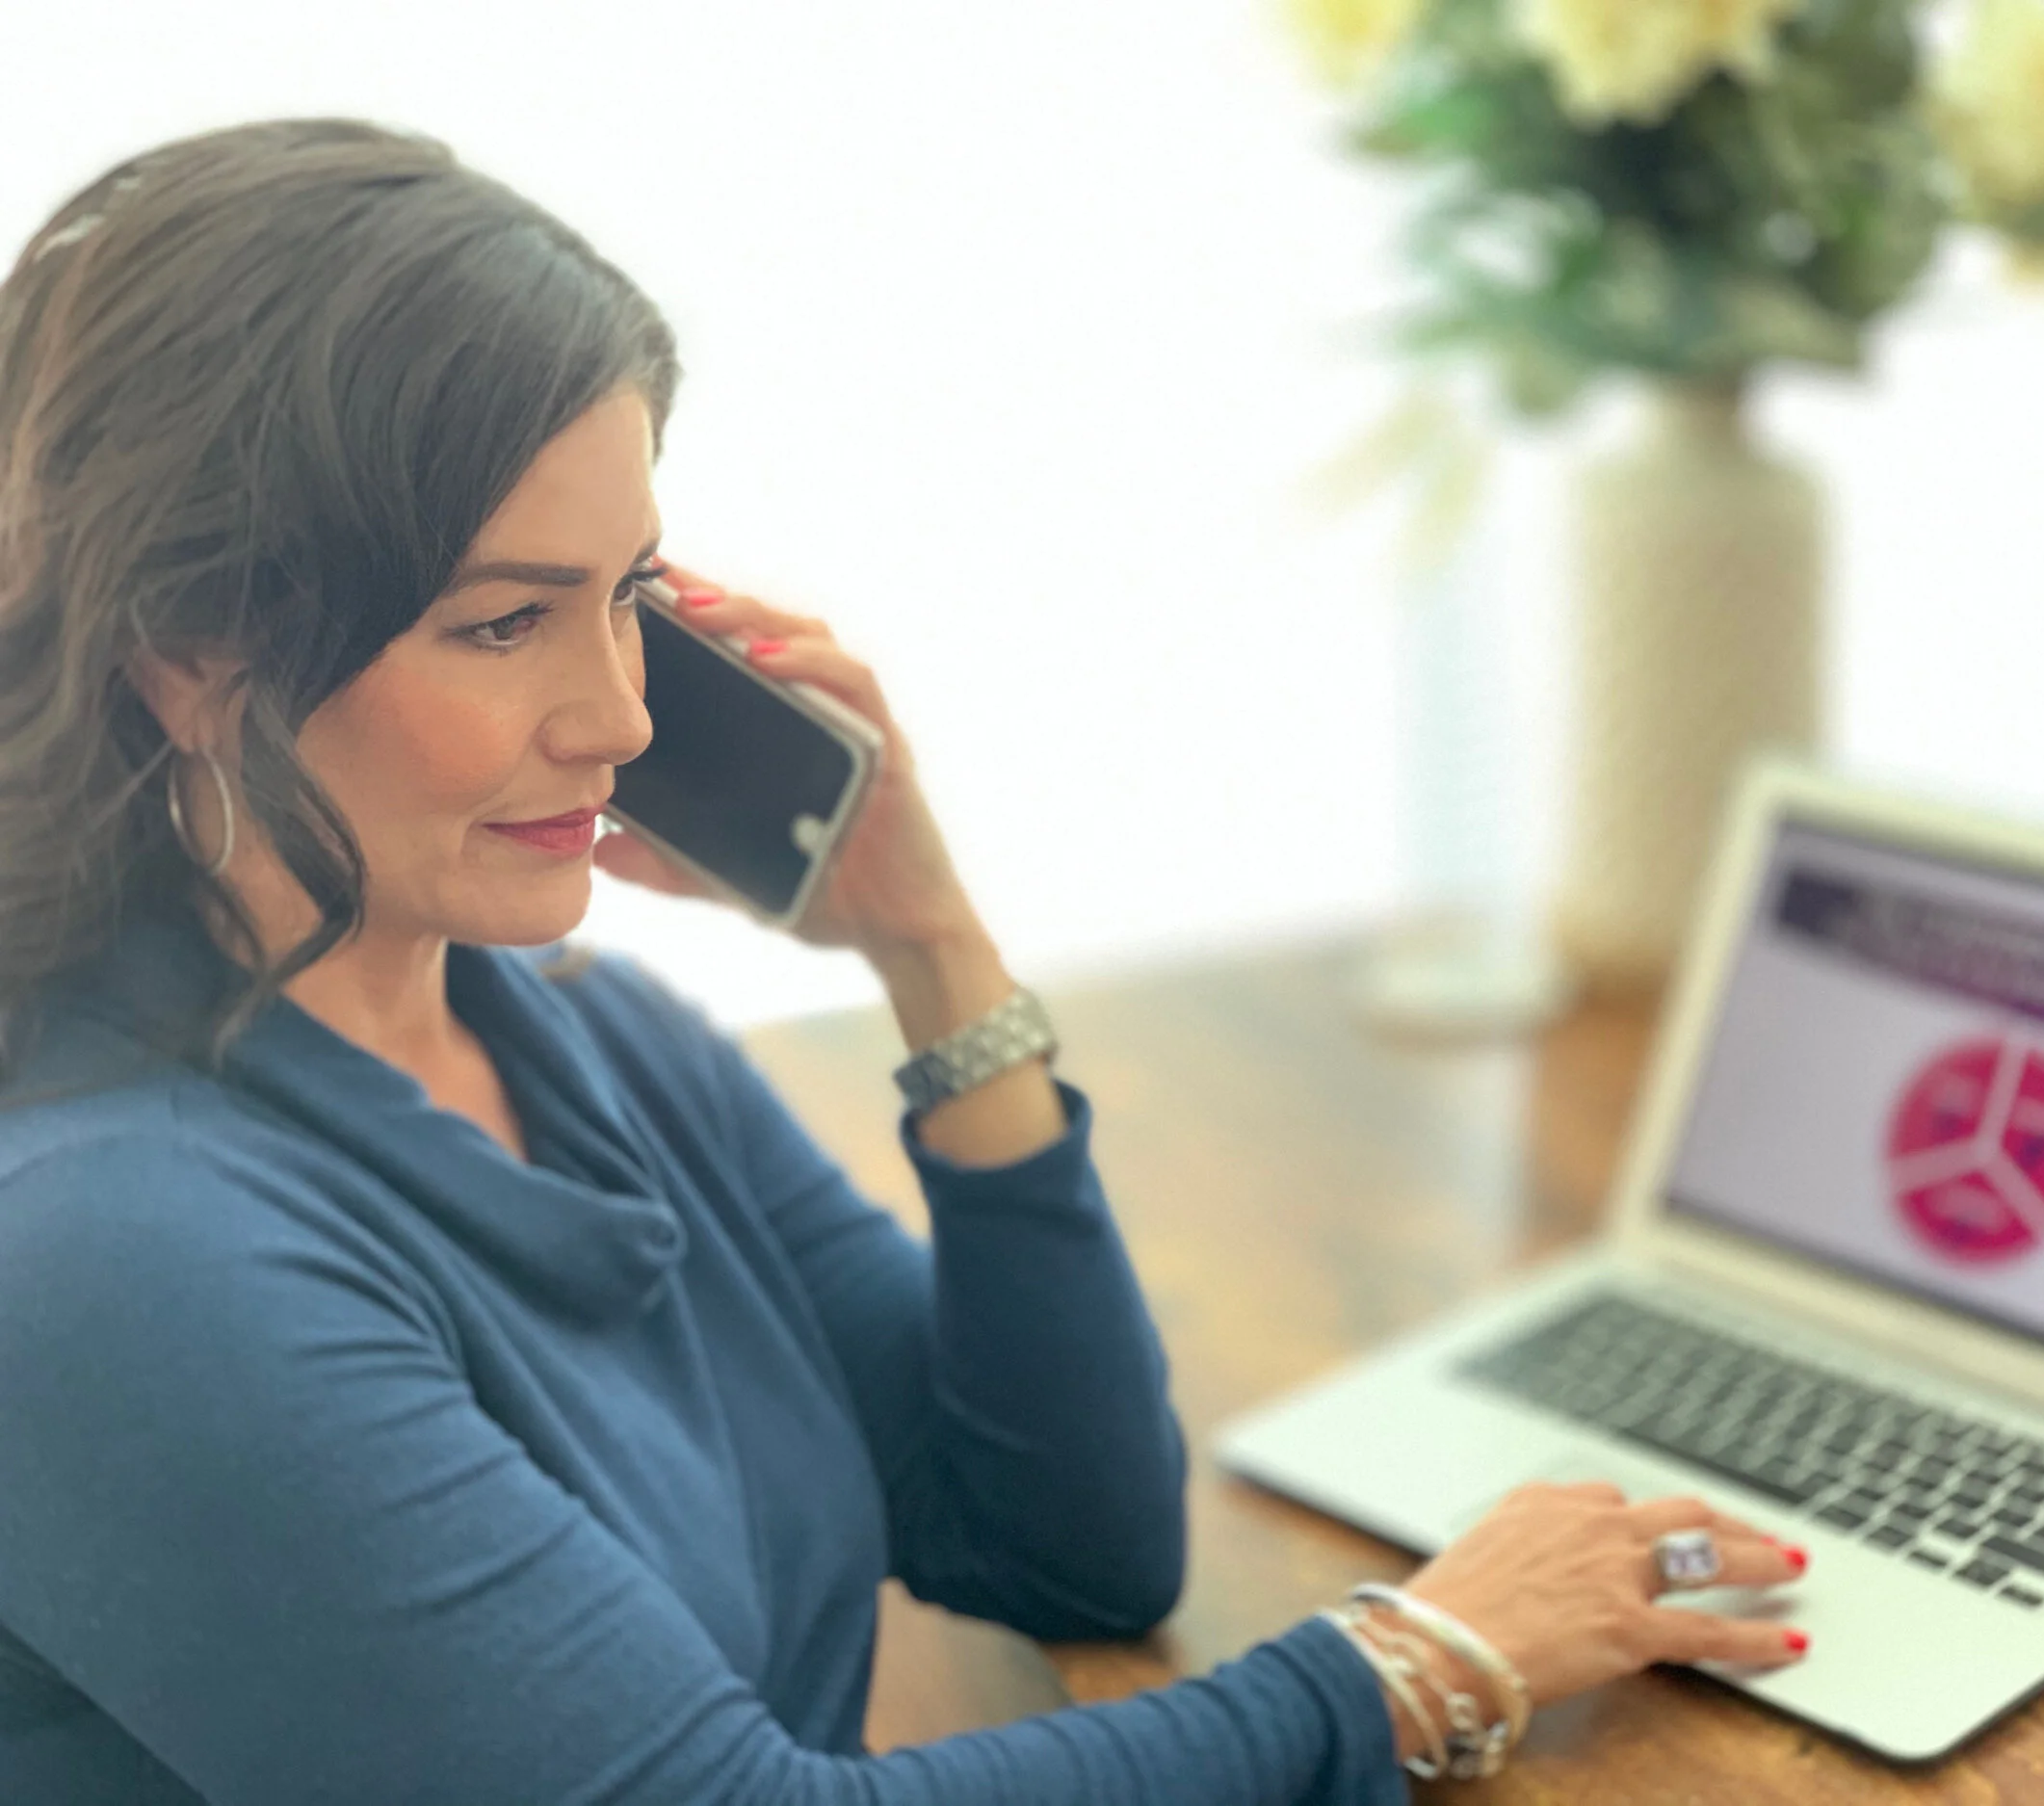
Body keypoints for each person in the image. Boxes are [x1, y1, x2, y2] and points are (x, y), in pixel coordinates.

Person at [0, 118, 1810, 1805]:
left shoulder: (585, 1042)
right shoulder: (115, 1255)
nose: (621, 713)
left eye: (630, 595)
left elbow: (1061, 1533)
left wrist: (931, 947)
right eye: (504, 622)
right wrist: (1419, 1662)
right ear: (193, 647)